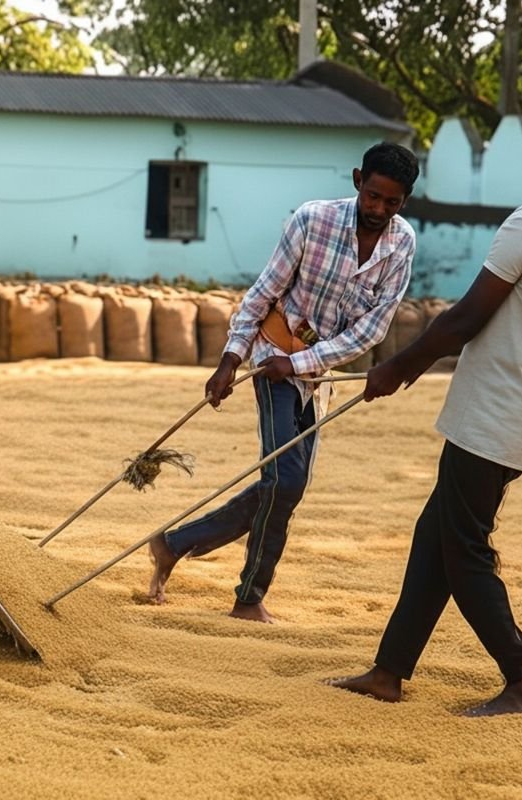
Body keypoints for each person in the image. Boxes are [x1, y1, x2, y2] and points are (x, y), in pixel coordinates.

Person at [331, 114, 522, 716]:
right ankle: (389, 671)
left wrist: (399, 366)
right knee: (435, 536)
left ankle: (521, 676)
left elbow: (466, 318)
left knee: (464, 547)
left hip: (491, 413)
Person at [146, 142, 420, 623]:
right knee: (286, 479)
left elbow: (372, 330)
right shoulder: (311, 220)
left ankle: (173, 544)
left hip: (315, 376)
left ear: (405, 201)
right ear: (358, 180)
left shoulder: (402, 245)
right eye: (373, 196)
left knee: (284, 484)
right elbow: (263, 292)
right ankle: (248, 599)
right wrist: (231, 359)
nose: (378, 209)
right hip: (272, 357)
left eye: (391, 202)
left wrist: (303, 364)